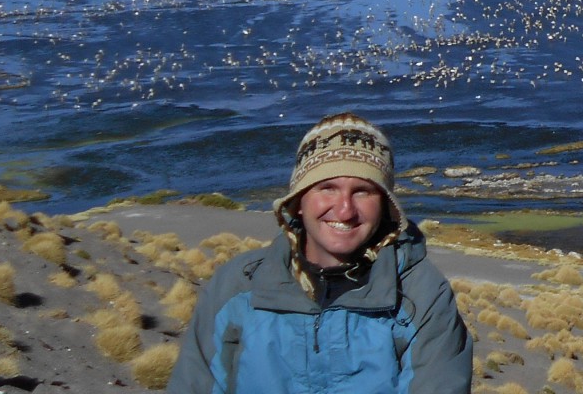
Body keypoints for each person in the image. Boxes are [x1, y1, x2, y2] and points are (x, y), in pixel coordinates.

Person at [167, 112, 473, 393]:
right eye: (327, 187)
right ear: (299, 200)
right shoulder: (237, 288)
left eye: (362, 191)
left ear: (385, 206)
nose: (344, 209)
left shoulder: (420, 295)